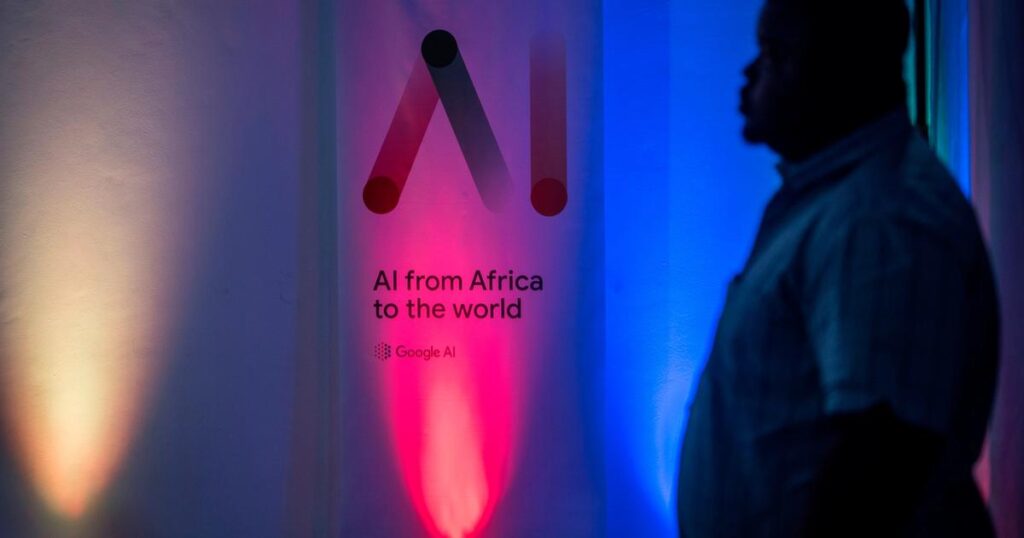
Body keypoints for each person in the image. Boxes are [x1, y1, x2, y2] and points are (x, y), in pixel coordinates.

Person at [676, 1, 1000, 537]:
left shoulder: (881, 218)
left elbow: (883, 457)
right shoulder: (838, 203)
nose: (750, 72)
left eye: (775, 55)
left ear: (840, 70)